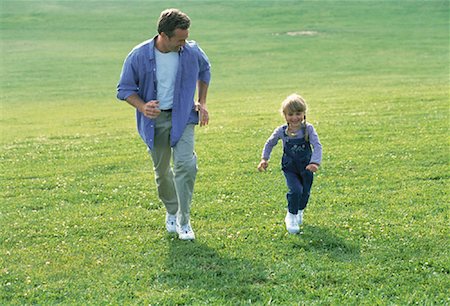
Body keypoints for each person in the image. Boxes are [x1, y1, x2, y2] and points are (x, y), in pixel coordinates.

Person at [117, 8, 211, 240]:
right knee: (162, 172)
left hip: (184, 116)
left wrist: (202, 102)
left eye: (186, 38)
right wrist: (142, 106)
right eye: (180, 39)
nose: (184, 43)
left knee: (185, 166)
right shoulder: (138, 56)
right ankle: (172, 210)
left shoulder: (191, 51)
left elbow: (205, 70)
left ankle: (184, 220)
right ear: (164, 35)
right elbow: (125, 89)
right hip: (154, 121)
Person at [257, 93, 322, 234]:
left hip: (306, 167)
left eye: (298, 113)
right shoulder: (282, 131)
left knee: (305, 193)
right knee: (295, 190)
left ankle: (299, 211)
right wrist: (264, 159)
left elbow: (317, 146)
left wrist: (315, 162)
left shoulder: (308, 129)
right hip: (290, 168)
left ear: (304, 113)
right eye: (290, 114)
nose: (294, 118)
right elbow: (270, 143)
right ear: (285, 115)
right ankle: (291, 216)